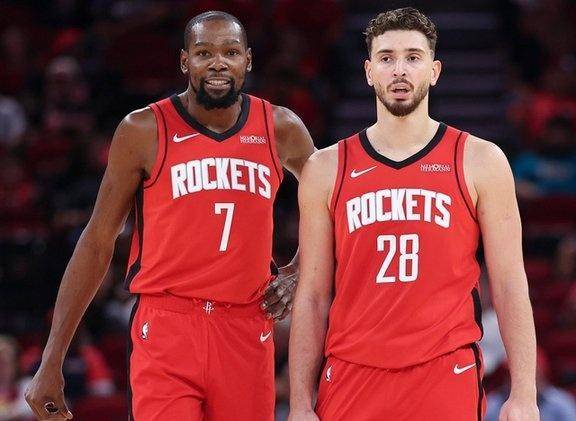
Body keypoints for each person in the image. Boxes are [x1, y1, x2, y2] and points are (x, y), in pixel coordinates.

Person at [25, 11, 314, 421]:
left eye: (230, 52)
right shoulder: (143, 129)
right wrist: (52, 357)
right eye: (204, 53)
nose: (218, 63)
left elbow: (333, 201)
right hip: (167, 326)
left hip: (247, 326)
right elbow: (97, 240)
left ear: (247, 60)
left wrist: (299, 270)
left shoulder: (281, 126)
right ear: (184, 61)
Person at [289, 7, 539, 421]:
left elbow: (510, 283)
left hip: (444, 372)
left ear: (434, 71)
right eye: (386, 58)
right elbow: (313, 295)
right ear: (369, 72)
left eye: (413, 57)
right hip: (352, 373)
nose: (399, 70)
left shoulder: (480, 160)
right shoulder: (326, 168)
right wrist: (299, 402)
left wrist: (524, 394)